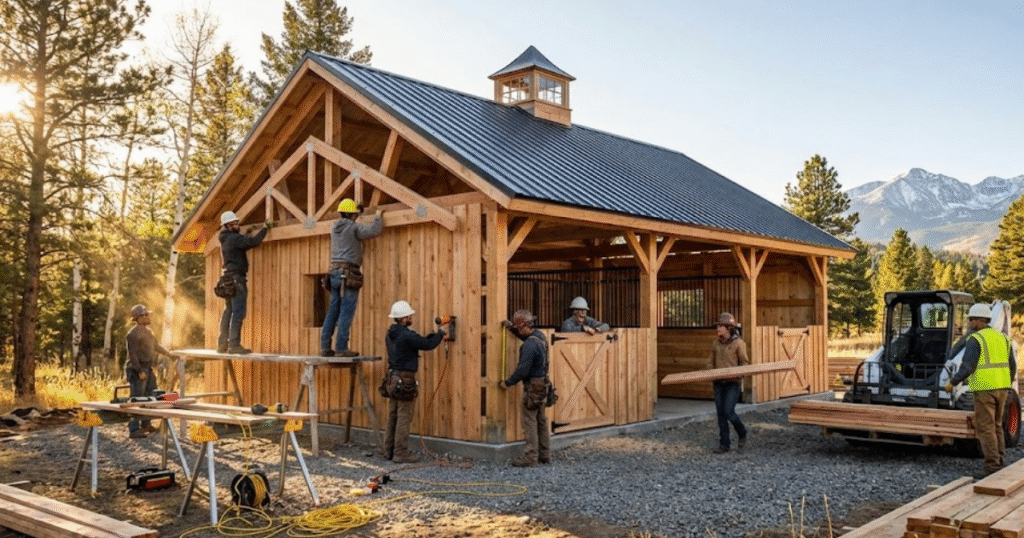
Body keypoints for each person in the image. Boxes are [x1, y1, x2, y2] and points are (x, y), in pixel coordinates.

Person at [944, 303, 1016, 478]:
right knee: (997, 426)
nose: (969, 323)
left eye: (971, 320)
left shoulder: (976, 339)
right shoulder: (1003, 338)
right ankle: (1000, 461)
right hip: (1003, 389)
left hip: (985, 390)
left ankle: (992, 467)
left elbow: (967, 367)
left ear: (978, 320)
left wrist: (952, 383)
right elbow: (1012, 366)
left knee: (985, 428)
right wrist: (1005, 383)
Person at [383, 300, 449, 463]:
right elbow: (427, 345)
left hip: (392, 379)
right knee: (404, 417)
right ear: (403, 318)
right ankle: (400, 453)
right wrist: (441, 333)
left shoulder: (391, 334)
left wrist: (434, 335)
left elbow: (419, 341)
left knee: (393, 416)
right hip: (404, 380)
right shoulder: (407, 335)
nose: (412, 318)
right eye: (409, 316)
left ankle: (388, 451)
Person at [321, 198, 384, 357]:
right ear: (350, 215)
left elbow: (352, 226)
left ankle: (325, 347)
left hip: (334, 273)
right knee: (346, 312)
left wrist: (358, 212)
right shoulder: (353, 227)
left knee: (333, 311)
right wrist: (378, 216)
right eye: (355, 214)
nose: (356, 217)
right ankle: (341, 348)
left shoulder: (334, 227)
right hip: (348, 273)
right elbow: (374, 231)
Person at [499, 309, 551, 466]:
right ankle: (545, 455)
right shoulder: (539, 336)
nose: (518, 330)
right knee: (541, 420)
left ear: (522, 326)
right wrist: (511, 328)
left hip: (533, 386)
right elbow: (525, 336)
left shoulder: (528, 346)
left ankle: (531, 457)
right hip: (543, 384)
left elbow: (522, 370)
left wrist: (507, 383)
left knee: (529, 421)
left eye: (518, 327)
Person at [217, 210, 270, 354]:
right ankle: (234, 345)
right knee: (238, 312)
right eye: (233, 223)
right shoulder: (234, 238)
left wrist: (246, 233)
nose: (236, 225)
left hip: (228, 278)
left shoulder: (226, 238)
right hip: (236, 279)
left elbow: (243, 239)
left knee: (228, 311)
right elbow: (253, 242)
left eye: (236, 222)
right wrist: (264, 229)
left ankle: (222, 344)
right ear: (226, 226)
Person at [125, 304, 177, 439]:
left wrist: (170, 355)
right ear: (139, 317)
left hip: (147, 368)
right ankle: (133, 429)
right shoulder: (133, 334)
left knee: (151, 396)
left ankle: (146, 424)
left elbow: (156, 346)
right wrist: (139, 370)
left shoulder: (148, 332)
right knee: (137, 399)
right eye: (146, 315)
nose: (148, 317)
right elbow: (132, 354)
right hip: (137, 369)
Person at [707, 312, 748, 453]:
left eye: (720, 326)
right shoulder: (715, 343)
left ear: (728, 328)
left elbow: (744, 363)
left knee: (729, 412)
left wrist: (740, 373)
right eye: (717, 326)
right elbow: (710, 362)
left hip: (732, 383)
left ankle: (742, 432)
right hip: (718, 383)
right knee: (721, 414)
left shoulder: (739, 343)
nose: (717, 329)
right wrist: (710, 371)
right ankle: (724, 445)